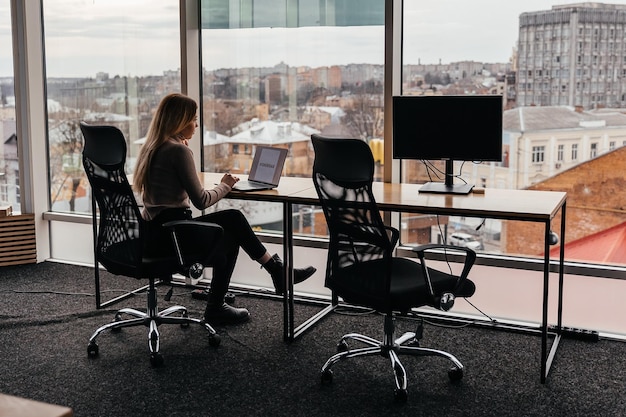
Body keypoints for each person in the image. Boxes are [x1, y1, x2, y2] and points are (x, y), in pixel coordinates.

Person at [134, 93, 316, 325]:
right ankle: (265, 278)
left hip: (153, 234)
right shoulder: (177, 151)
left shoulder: (152, 147)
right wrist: (225, 185)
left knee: (232, 228)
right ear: (179, 121)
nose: (197, 124)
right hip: (174, 236)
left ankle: (273, 273)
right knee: (233, 223)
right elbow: (201, 200)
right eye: (194, 119)